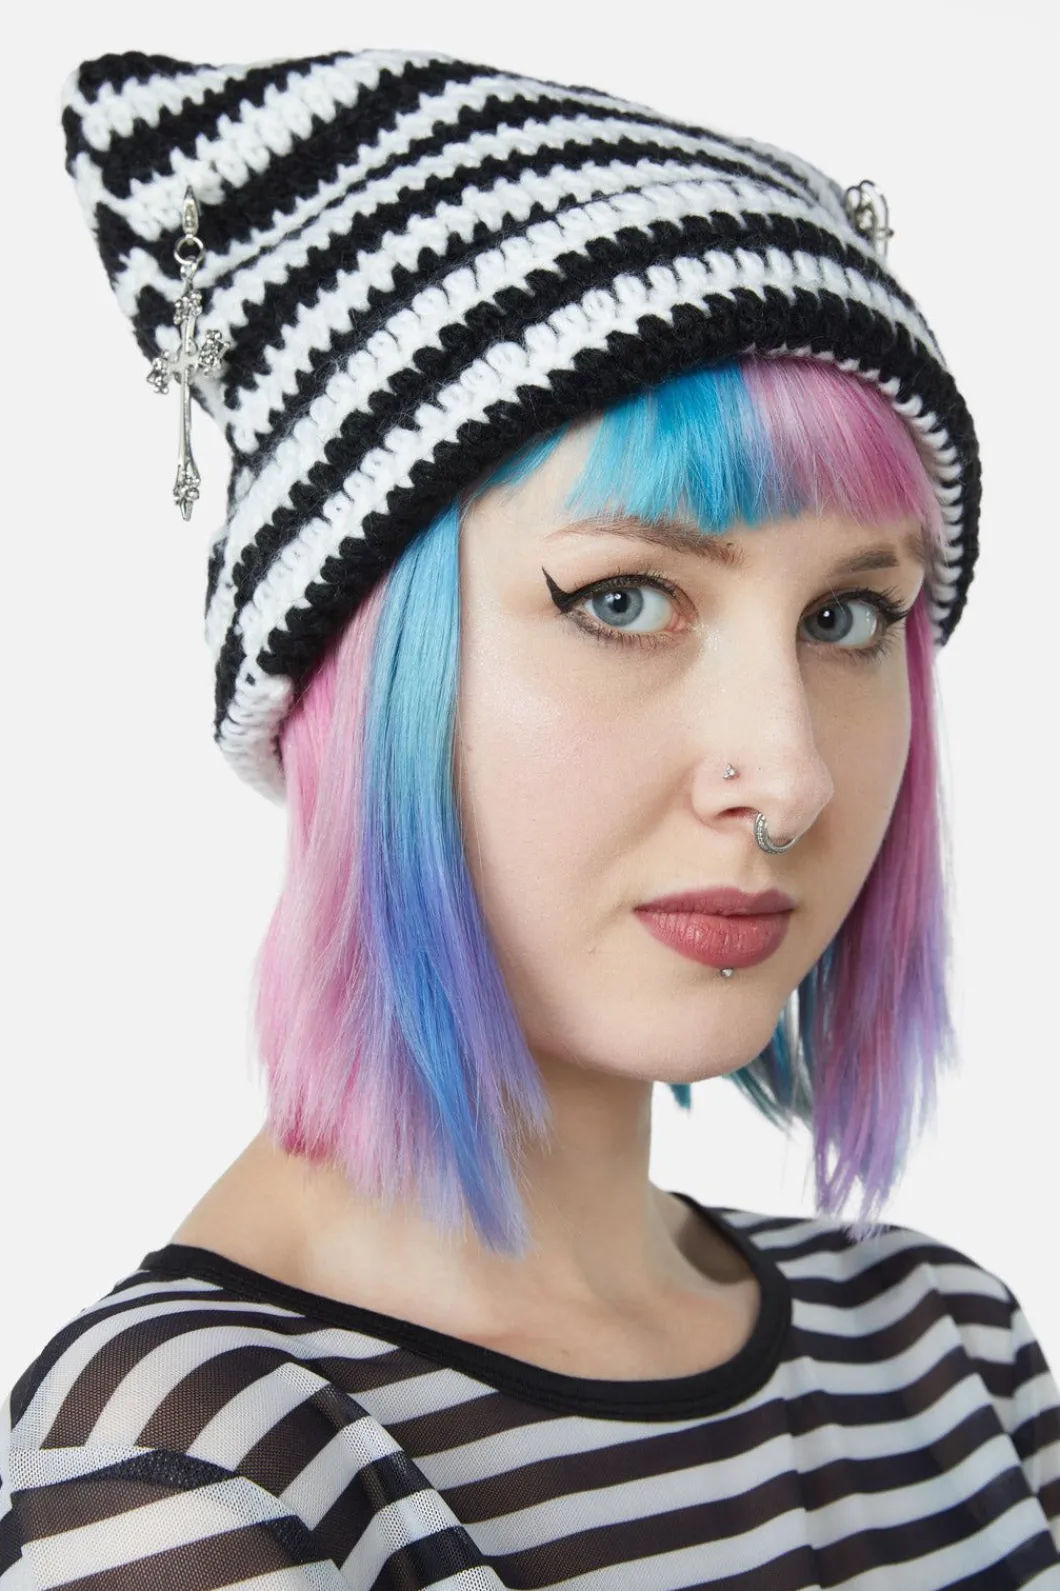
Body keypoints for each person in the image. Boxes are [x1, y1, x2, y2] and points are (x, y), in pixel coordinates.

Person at [1, 45, 1057, 1591]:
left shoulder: (949, 1351)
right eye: (624, 598)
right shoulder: (198, 1460)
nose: (789, 777)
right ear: (358, 676)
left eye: (846, 616)